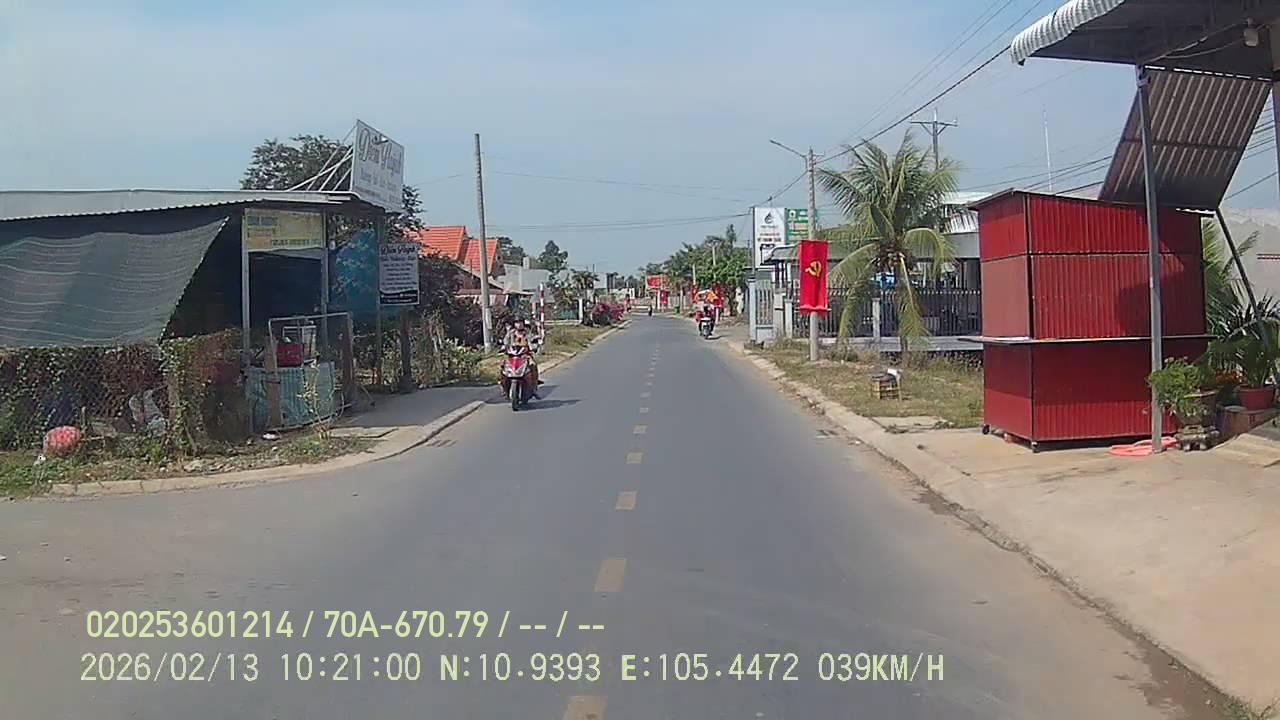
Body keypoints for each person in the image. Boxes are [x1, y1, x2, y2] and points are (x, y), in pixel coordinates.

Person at [502, 318, 540, 397]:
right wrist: (503, 347)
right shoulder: (511, 333)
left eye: (520, 323)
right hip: (512, 355)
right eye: (517, 323)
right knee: (503, 366)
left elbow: (532, 340)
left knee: (533, 365)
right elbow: (505, 341)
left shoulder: (527, 333)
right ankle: (503, 386)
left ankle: (534, 387)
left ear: (523, 323)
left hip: (525, 355)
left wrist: (534, 346)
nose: (519, 325)